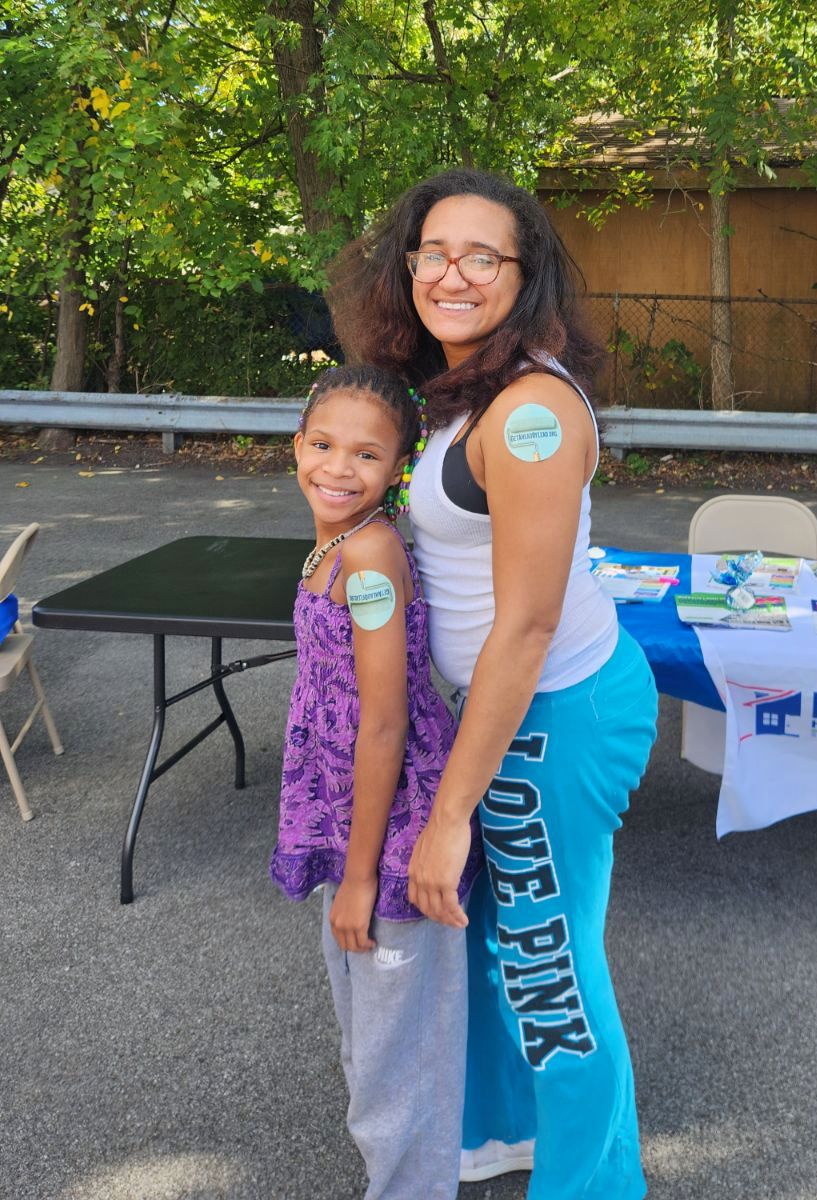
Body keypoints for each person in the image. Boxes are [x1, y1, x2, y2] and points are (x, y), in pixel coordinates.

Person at [329, 168, 659, 1199]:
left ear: (527, 275)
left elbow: (526, 625)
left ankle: (596, 1183)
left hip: (553, 711)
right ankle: (503, 1136)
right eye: (435, 251)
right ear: (409, 266)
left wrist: (452, 811)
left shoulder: (531, 412)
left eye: (484, 255)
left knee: (551, 969)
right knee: (498, 950)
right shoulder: (463, 388)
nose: (454, 273)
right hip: (500, 714)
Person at [270, 363, 484, 1200]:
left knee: (398, 1048)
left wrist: (360, 877)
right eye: (321, 444)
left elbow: (385, 722)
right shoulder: (337, 539)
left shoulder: (366, 557)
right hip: (349, 807)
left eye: (365, 454)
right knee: (371, 1027)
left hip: (391, 828)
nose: (336, 467)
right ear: (296, 447)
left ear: (398, 468)